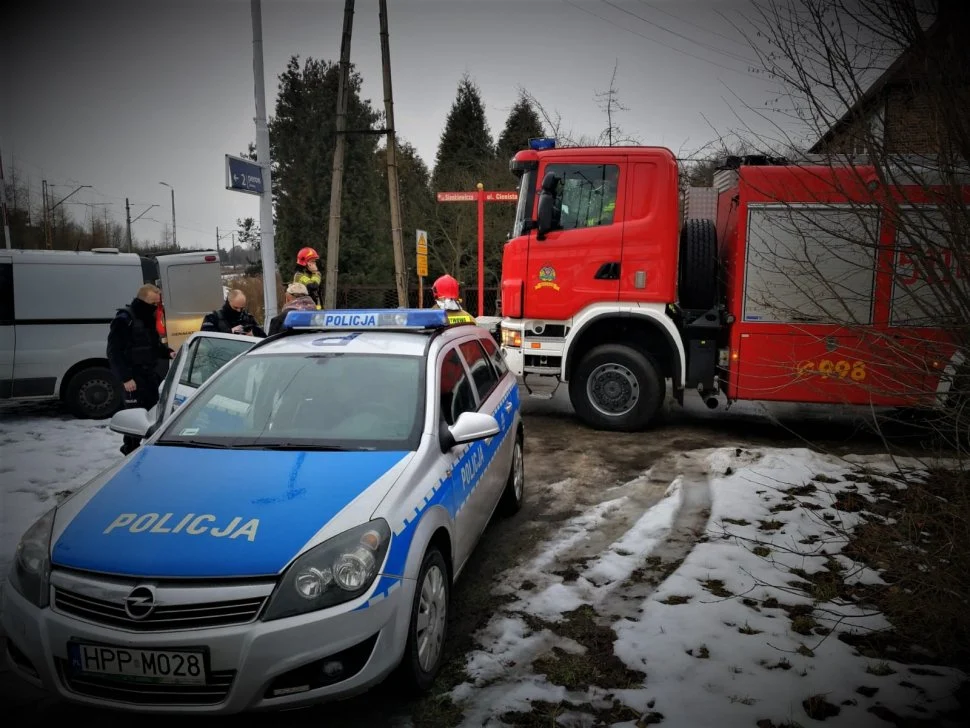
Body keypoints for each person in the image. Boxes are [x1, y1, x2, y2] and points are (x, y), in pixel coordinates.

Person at [106, 284, 175, 455]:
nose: (155, 307)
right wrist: (125, 378)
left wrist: (168, 352)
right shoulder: (124, 319)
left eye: (157, 304)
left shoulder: (147, 317)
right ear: (143, 300)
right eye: (153, 303)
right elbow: (114, 352)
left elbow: (152, 344)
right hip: (132, 379)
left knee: (153, 415)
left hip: (149, 375)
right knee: (134, 421)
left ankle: (150, 450)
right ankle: (130, 452)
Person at [201, 289, 267, 337]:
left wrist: (253, 335)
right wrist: (230, 332)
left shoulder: (248, 318)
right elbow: (206, 339)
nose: (238, 311)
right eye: (235, 308)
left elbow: (264, 339)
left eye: (241, 308)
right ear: (228, 302)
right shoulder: (213, 318)